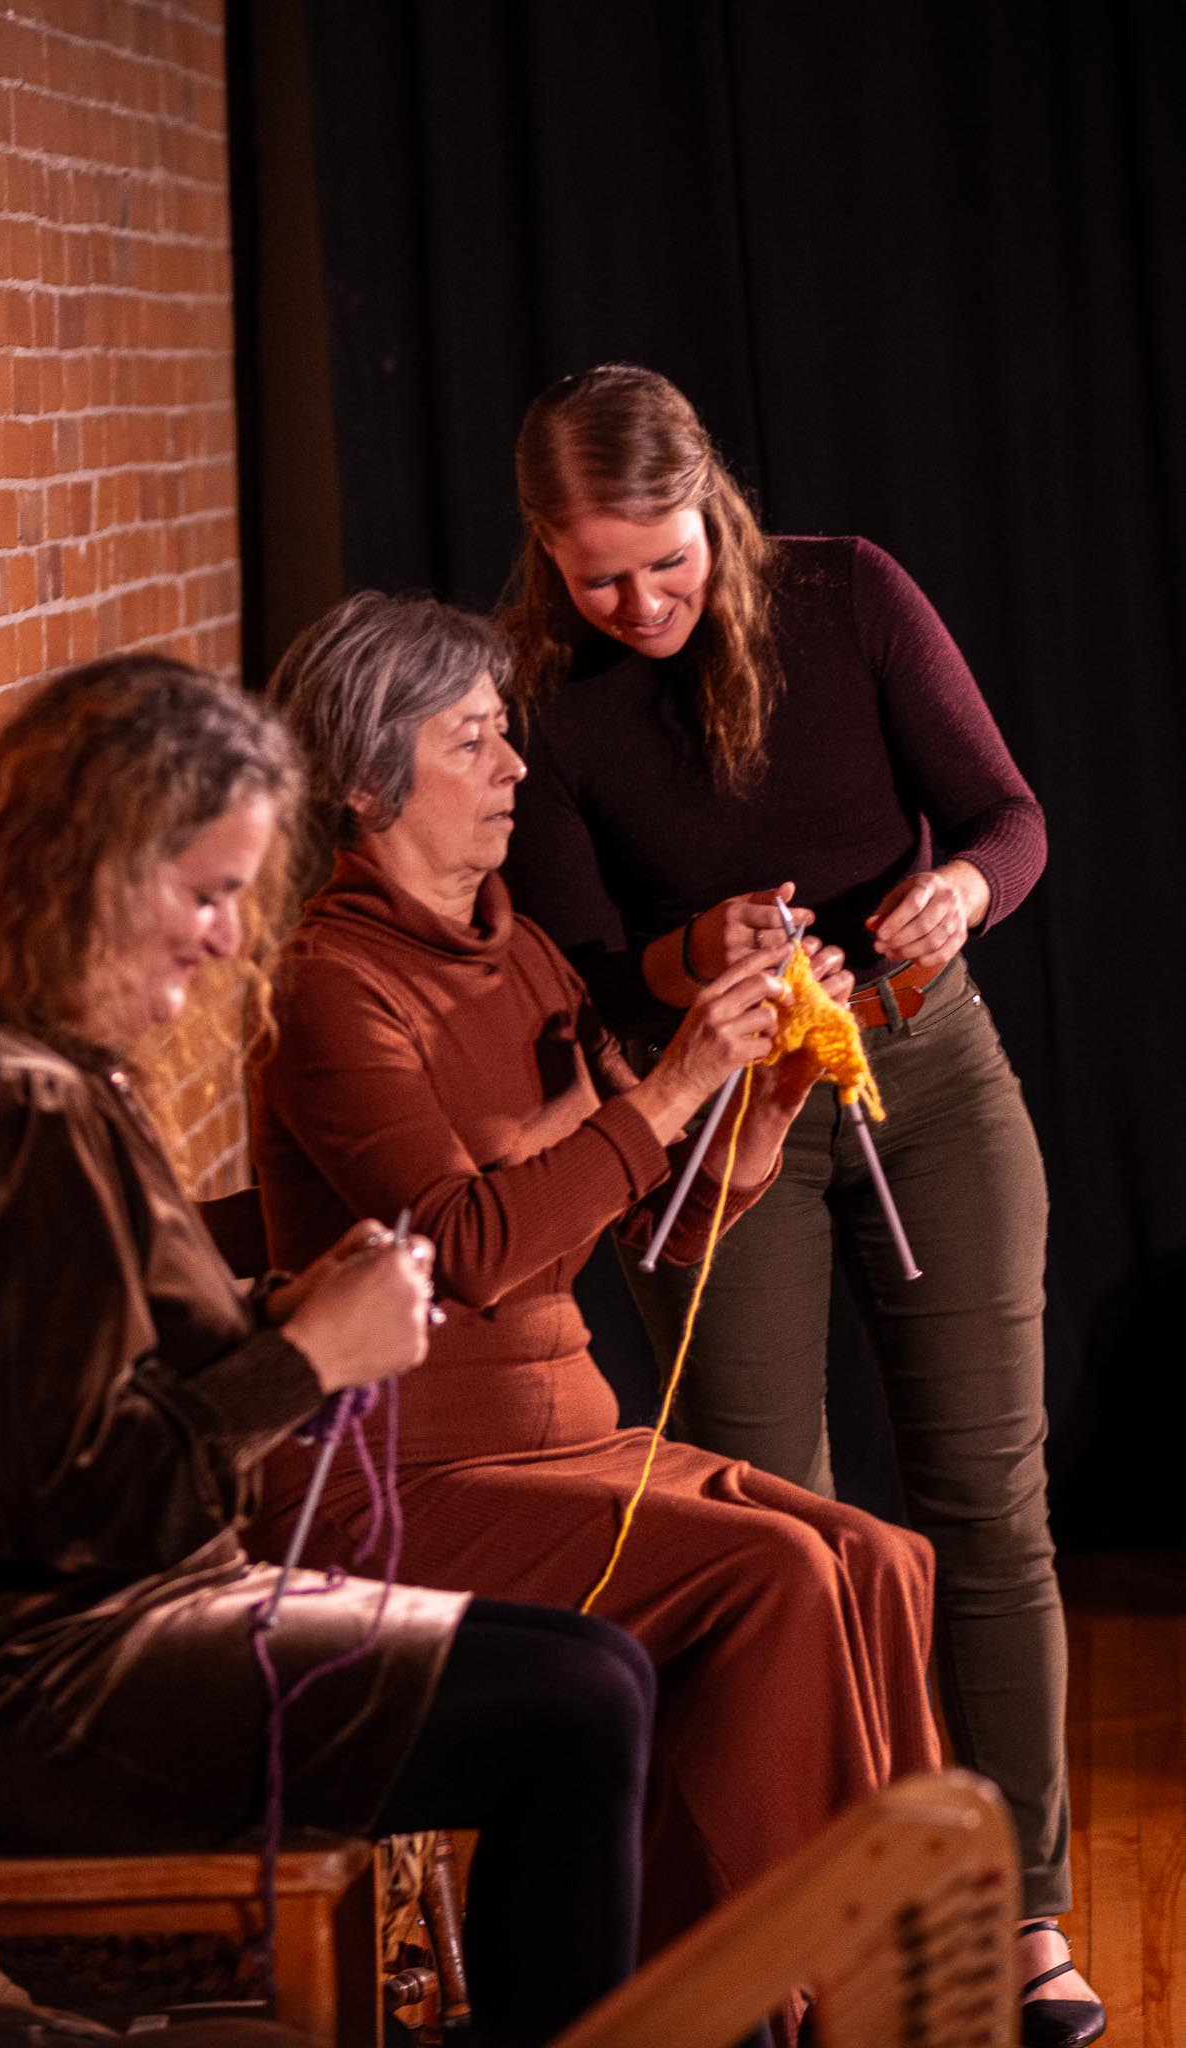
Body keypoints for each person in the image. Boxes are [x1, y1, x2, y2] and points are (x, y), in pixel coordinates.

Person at [0, 653, 663, 2048]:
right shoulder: (11, 1107)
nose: (226, 942)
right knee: (575, 1701)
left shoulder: (49, 1077)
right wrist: (307, 1358)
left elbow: (102, 1383)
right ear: (93, 869)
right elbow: (81, 1500)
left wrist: (284, 1312)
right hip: (38, 1688)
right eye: (207, 894)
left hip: (97, 1633)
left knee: (603, 1672)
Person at [501, 361, 1102, 2048]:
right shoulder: (537, 695)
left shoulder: (845, 597)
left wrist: (959, 892)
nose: (640, 604)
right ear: (543, 552)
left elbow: (1006, 816)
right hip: (711, 1112)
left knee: (984, 1503)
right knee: (773, 1535)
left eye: (665, 561)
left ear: (715, 508)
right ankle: (811, 1927)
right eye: (597, 577)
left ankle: (1019, 1915)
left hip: (926, 1074)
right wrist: (693, 953)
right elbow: (580, 965)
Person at [250, 590, 941, 1984]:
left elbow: (658, 1231)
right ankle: (767, 1990)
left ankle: (838, 1978)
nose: (515, 765)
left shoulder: (525, 954)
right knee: (772, 1578)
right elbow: (464, 1249)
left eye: (505, 734)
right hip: (404, 1480)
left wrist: (761, 1099)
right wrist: (677, 1084)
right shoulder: (331, 985)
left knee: (880, 1560)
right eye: (473, 742)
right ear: (370, 784)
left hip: (566, 1443)